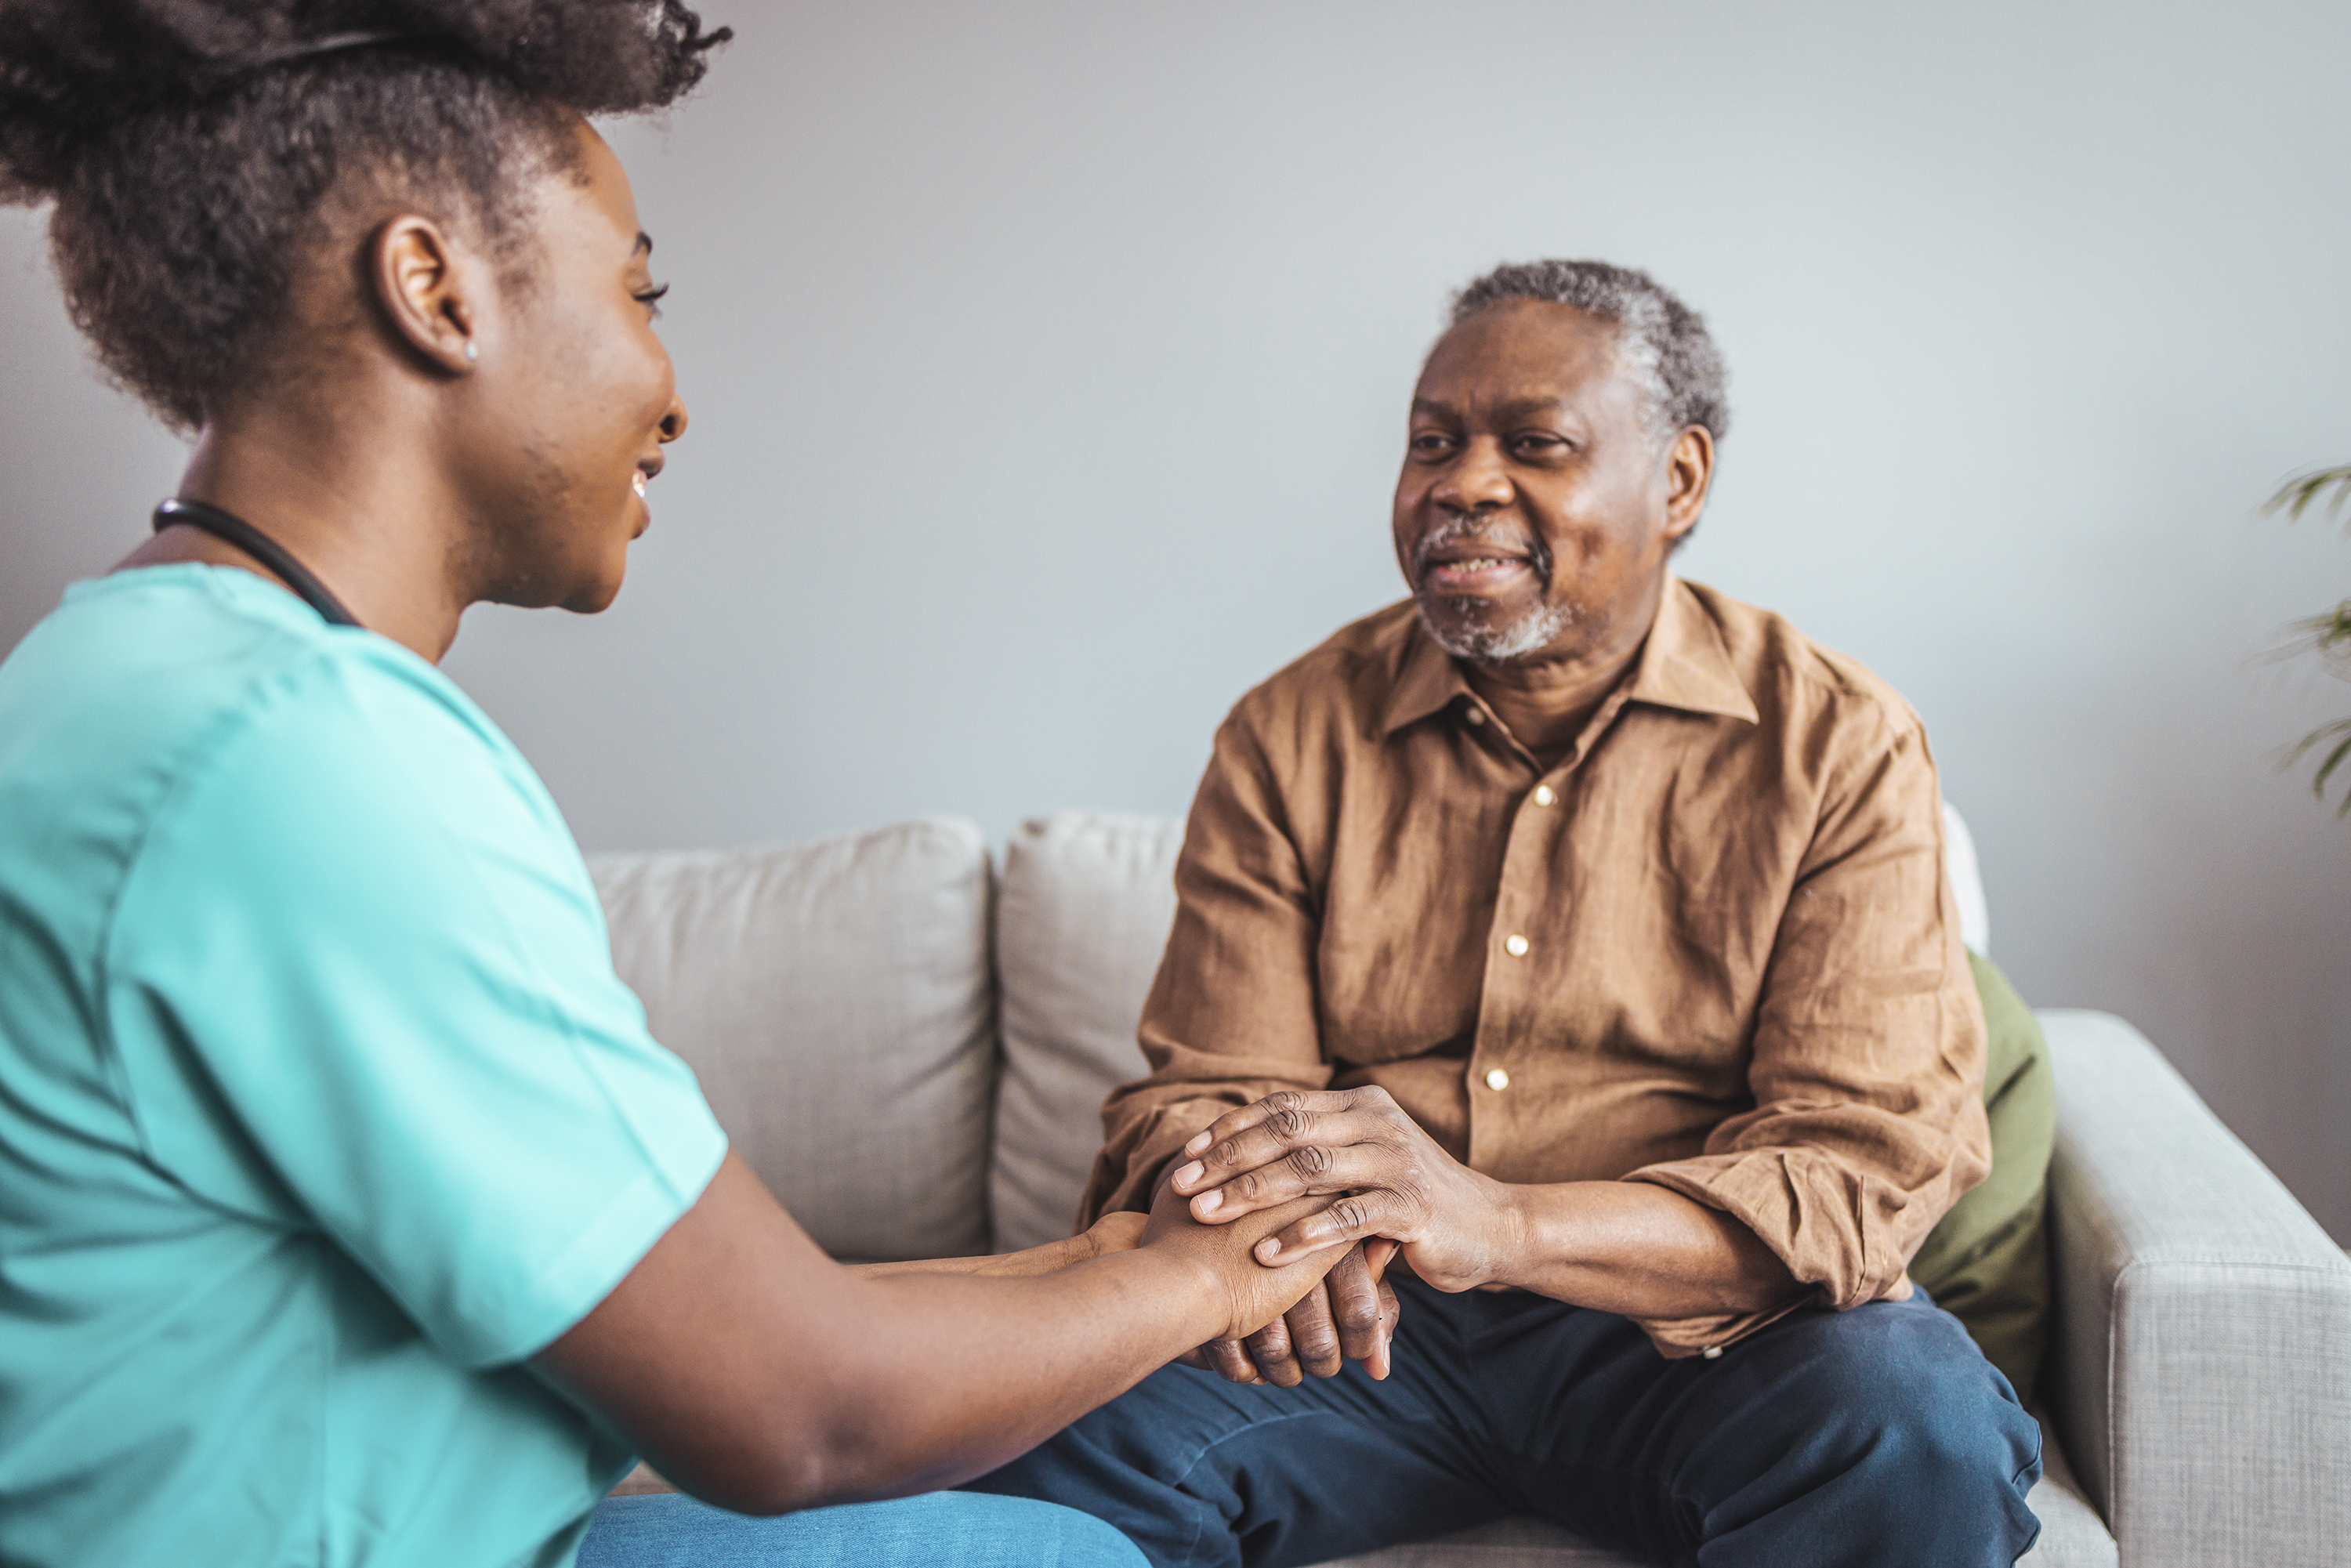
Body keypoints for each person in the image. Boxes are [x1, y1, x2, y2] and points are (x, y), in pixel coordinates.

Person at [0, 8, 1354, 1566]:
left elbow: (759, 1310)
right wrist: (1217, 1273)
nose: (674, 391)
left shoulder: (127, 670)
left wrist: (1136, 1250)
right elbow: (801, 1404)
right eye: (639, 292)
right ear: (434, 289)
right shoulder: (300, 764)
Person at [969, 261, 2045, 1566]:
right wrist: (1293, 1229)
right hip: (1364, 1329)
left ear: (1681, 481)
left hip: (1695, 1338)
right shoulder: (1290, 733)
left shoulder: (1839, 744)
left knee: (1915, 1427)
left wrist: (1500, 1224)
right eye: (1433, 441)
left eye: (1532, 444)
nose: (1460, 483)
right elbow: (1203, 1095)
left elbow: (1857, 1167)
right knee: (1020, 1428)